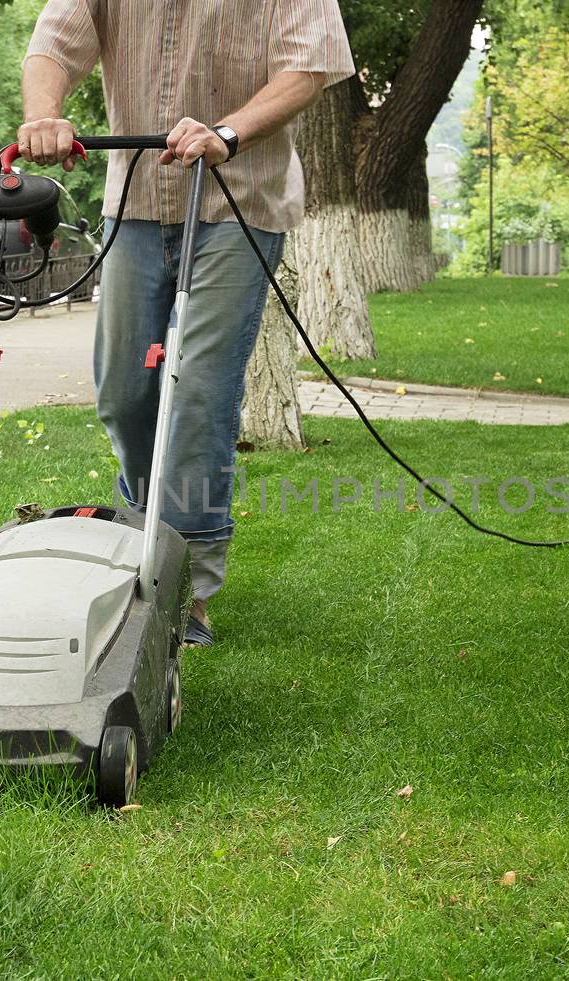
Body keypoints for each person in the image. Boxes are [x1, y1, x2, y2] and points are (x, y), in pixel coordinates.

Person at [19, 1, 354, 647]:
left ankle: (188, 586)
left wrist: (227, 133)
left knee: (199, 391)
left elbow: (309, 67)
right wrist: (44, 116)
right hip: (135, 201)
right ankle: (147, 540)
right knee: (124, 393)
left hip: (240, 199)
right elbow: (54, 45)